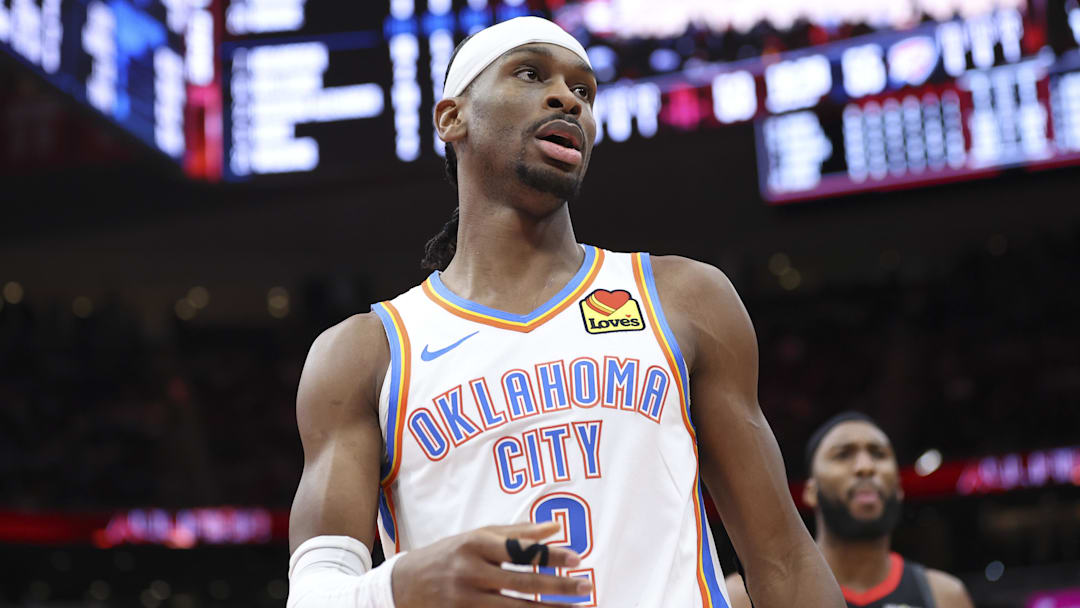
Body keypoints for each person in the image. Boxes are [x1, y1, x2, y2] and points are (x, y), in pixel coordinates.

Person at [285, 16, 845, 608]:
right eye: (530, 73)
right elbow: (317, 594)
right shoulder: (366, 351)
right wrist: (395, 588)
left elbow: (781, 557)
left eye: (584, 90)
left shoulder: (682, 298)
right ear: (452, 119)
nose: (566, 98)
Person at [724, 412, 975, 608]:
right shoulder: (741, 597)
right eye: (843, 455)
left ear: (899, 487)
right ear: (811, 491)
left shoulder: (946, 596)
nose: (865, 467)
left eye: (878, 454)